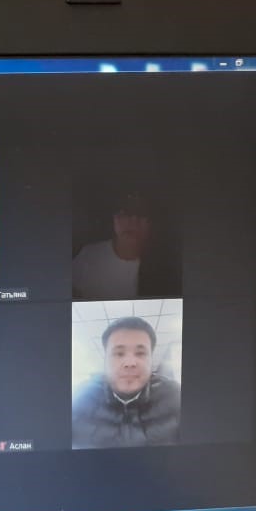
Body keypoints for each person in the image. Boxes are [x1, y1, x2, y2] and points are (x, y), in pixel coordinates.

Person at [72, 317, 181, 449]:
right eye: (119, 354)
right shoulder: (78, 400)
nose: (130, 363)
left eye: (140, 353)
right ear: (106, 360)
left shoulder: (176, 397)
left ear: (151, 359)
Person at [72, 191, 153, 300]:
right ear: (114, 218)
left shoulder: (162, 267)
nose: (133, 221)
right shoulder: (89, 256)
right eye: (125, 213)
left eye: (141, 214)